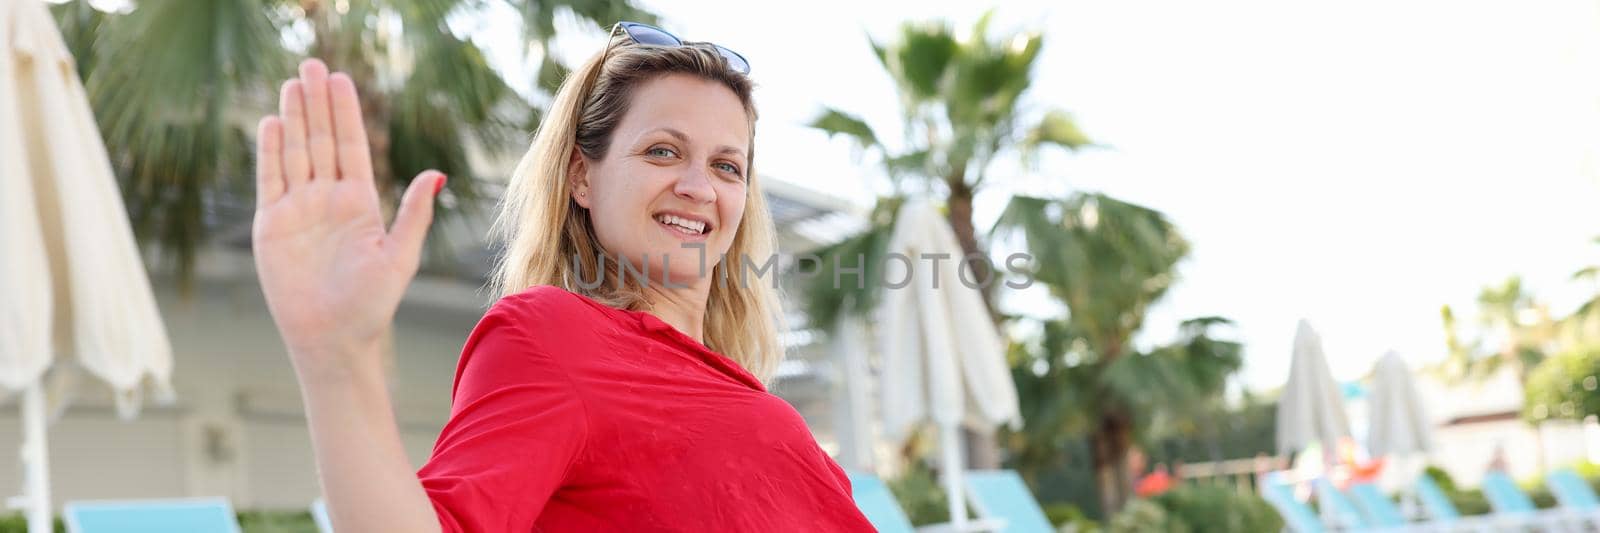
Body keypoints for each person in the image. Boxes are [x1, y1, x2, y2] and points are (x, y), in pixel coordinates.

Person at [251, 21, 874, 531]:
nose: (697, 187)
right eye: (663, 151)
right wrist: (336, 359)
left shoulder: (744, 390)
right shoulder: (554, 337)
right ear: (582, 176)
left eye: (727, 166)